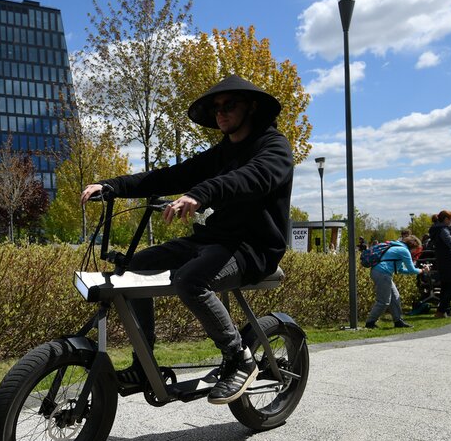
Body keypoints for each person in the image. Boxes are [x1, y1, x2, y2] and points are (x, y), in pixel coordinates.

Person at [80, 74, 293, 405]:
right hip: (215, 239)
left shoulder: (274, 147)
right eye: (216, 107)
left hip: (254, 247)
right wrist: (112, 186)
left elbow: (251, 178)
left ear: (251, 107)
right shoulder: (220, 153)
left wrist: (201, 193)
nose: (221, 112)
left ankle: (239, 358)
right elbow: (169, 176)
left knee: (190, 280)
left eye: (229, 105)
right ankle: (142, 364)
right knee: (136, 266)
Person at [365, 236, 428, 329]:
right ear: (413, 246)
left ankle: (398, 321)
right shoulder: (404, 251)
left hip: (381, 272)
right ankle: (370, 323)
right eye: (416, 249)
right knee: (383, 301)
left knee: (395, 297)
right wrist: (422, 270)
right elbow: (411, 269)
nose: (415, 252)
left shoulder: (397, 247)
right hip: (382, 273)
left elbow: (401, 269)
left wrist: (420, 270)